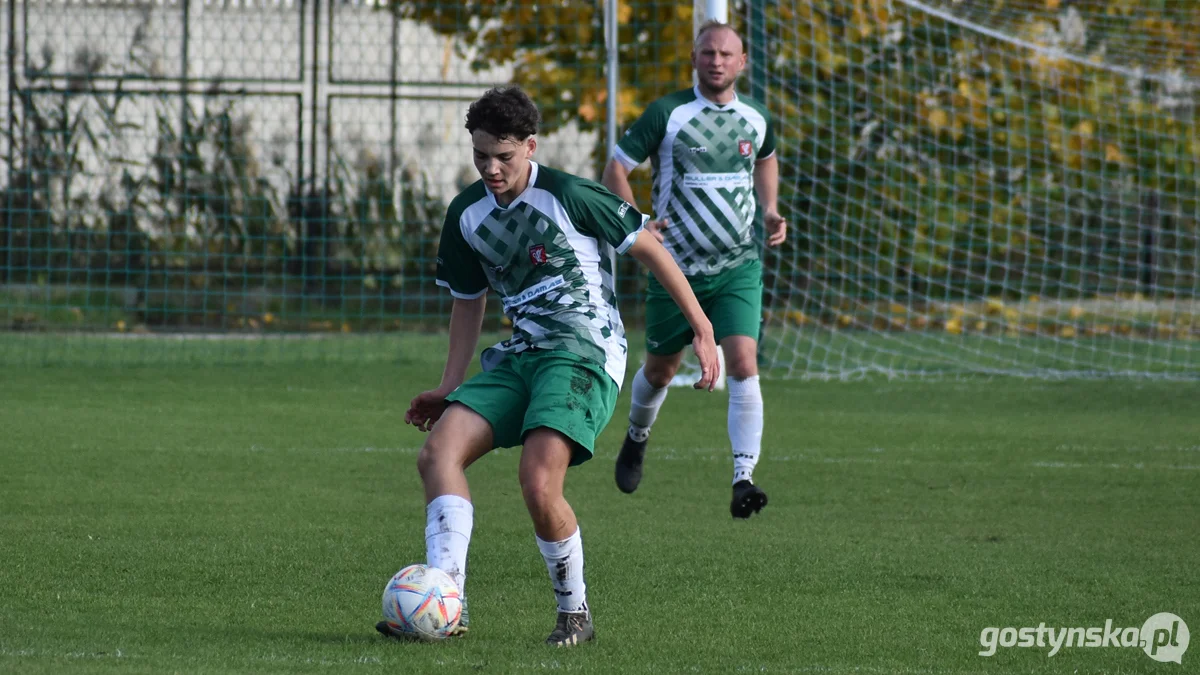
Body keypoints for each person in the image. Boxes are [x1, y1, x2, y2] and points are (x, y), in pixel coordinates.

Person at [376, 86, 720, 647]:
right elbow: (469, 300)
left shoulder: (570, 195)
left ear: (530, 147)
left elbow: (651, 249)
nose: (491, 168)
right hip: (521, 354)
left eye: (504, 156)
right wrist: (449, 384)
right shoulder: (466, 215)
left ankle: (574, 613)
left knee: (538, 483)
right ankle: (450, 598)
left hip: (585, 351)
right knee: (438, 453)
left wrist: (702, 329)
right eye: (480, 155)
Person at [601, 20, 787, 518]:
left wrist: (769, 209)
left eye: (727, 54)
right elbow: (616, 168)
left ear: (742, 62)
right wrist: (637, 223)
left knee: (744, 362)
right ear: (694, 57)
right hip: (674, 270)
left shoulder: (755, 117)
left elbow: (766, 158)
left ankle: (743, 478)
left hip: (737, 267)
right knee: (660, 372)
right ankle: (638, 436)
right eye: (708, 53)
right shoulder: (669, 114)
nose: (717, 61)